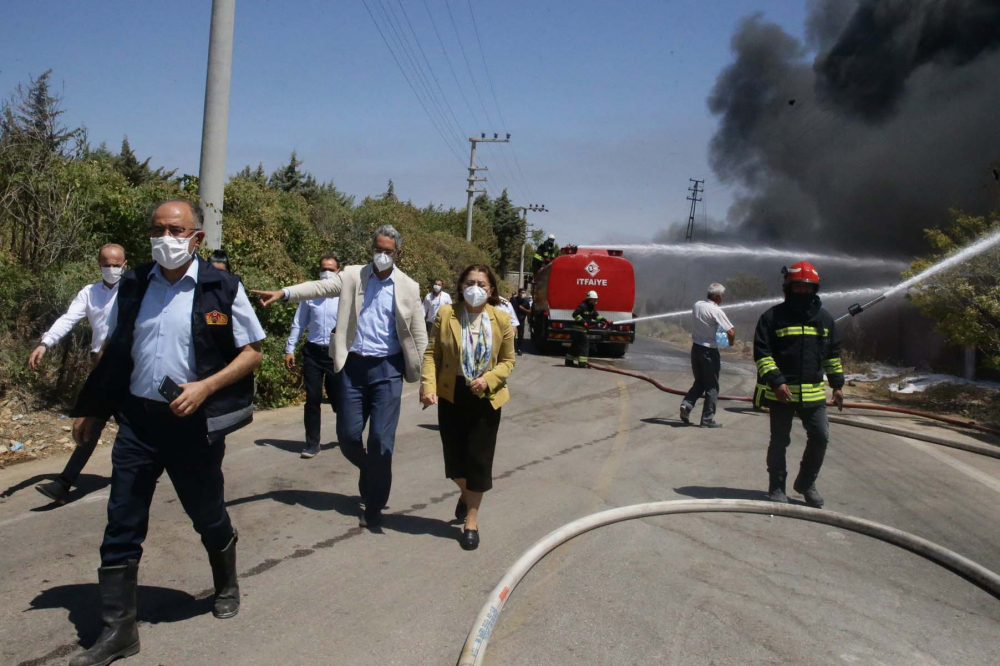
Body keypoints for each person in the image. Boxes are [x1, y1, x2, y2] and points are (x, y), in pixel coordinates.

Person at [66, 199, 265, 666]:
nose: (166, 239)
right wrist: (93, 409)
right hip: (138, 421)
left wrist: (206, 387)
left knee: (207, 512)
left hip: (191, 424)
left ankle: (226, 582)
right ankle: (119, 631)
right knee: (122, 519)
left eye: (176, 230)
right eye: (158, 230)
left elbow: (253, 350)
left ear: (196, 237)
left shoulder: (222, 286)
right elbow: (115, 351)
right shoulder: (134, 282)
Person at [253, 225, 428, 528]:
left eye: (388, 251)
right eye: (378, 249)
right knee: (347, 437)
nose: (382, 255)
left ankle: (373, 505)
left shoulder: (409, 287)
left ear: (398, 253)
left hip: (387, 370)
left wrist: (429, 379)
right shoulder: (352, 276)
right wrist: (284, 294)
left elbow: (419, 333)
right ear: (371, 249)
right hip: (351, 368)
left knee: (380, 441)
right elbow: (318, 288)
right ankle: (372, 469)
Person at [420, 264, 515, 551]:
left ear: (491, 289)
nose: (476, 288)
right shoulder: (446, 314)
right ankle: (466, 493)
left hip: (485, 398)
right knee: (455, 464)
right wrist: (428, 386)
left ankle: (471, 521)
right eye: (470, 282)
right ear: (461, 286)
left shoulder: (501, 319)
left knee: (479, 463)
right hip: (453, 394)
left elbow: (508, 361)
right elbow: (431, 353)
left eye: (482, 284)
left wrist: (488, 379)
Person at [30, 243, 126, 505]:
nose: (112, 269)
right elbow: (68, 319)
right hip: (101, 369)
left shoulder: (133, 291)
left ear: (125, 265)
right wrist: (45, 343)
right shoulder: (89, 293)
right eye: (107, 264)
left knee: (131, 428)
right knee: (89, 425)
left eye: (117, 265)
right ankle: (63, 484)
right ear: (99, 264)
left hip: (129, 369)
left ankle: (66, 483)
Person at [754, 261, 844, 508]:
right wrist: (776, 381)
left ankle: (806, 482)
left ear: (815, 289)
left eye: (807, 287)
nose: (803, 292)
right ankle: (776, 486)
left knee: (821, 436)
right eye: (798, 287)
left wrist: (837, 385)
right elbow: (762, 354)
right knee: (779, 441)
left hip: (814, 395)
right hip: (781, 394)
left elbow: (833, 355)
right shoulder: (772, 318)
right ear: (788, 287)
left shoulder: (825, 320)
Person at [285, 254, 341, 459]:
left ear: (338, 272)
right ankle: (312, 443)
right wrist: (289, 348)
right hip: (313, 353)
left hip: (336, 354)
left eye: (331, 269)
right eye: (323, 268)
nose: (326, 272)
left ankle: (347, 437)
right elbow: (299, 323)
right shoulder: (311, 294)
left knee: (339, 399)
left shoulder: (344, 295)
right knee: (313, 398)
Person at [679, 283, 735, 429]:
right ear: (717, 297)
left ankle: (686, 405)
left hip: (696, 348)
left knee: (700, 382)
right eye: (721, 296)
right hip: (709, 351)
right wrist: (731, 344)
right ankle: (707, 419)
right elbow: (731, 332)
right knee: (712, 386)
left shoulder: (697, 305)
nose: (722, 299)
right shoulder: (716, 310)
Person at [566, 290, 607, 367]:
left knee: (575, 345)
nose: (596, 301)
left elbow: (596, 316)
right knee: (584, 344)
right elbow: (575, 314)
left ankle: (568, 361)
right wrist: (583, 322)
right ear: (589, 299)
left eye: (596, 299)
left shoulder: (591, 307)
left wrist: (604, 320)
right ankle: (582, 363)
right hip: (579, 329)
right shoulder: (583, 306)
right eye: (594, 299)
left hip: (582, 330)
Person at [510, 286, 532, 355]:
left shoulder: (526, 301)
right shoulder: (513, 300)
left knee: (520, 335)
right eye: (522, 293)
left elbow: (529, 311)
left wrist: (523, 309)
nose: (523, 294)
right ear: (519, 293)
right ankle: (511, 349)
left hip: (521, 320)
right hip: (513, 321)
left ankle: (519, 349)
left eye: (524, 293)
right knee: (512, 335)